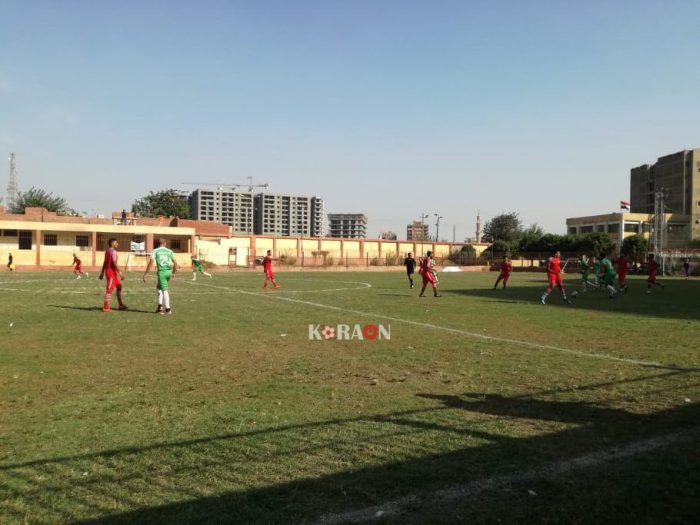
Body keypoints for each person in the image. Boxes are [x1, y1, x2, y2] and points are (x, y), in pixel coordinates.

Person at [143, 238, 178, 315]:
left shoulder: (156, 251)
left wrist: (145, 274)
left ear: (158, 244)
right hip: (169, 272)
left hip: (162, 272)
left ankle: (168, 309)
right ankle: (159, 307)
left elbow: (151, 263)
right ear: (165, 243)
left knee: (164, 290)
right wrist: (174, 273)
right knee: (159, 288)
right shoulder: (170, 251)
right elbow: (175, 262)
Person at [98, 238, 127, 312]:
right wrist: (120, 273)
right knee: (109, 289)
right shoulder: (113, 251)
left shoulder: (107, 251)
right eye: (116, 243)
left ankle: (120, 305)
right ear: (112, 243)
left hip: (112, 272)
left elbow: (105, 262)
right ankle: (106, 307)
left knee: (119, 286)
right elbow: (114, 263)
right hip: (111, 272)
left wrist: (102, 273)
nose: (117, 244)